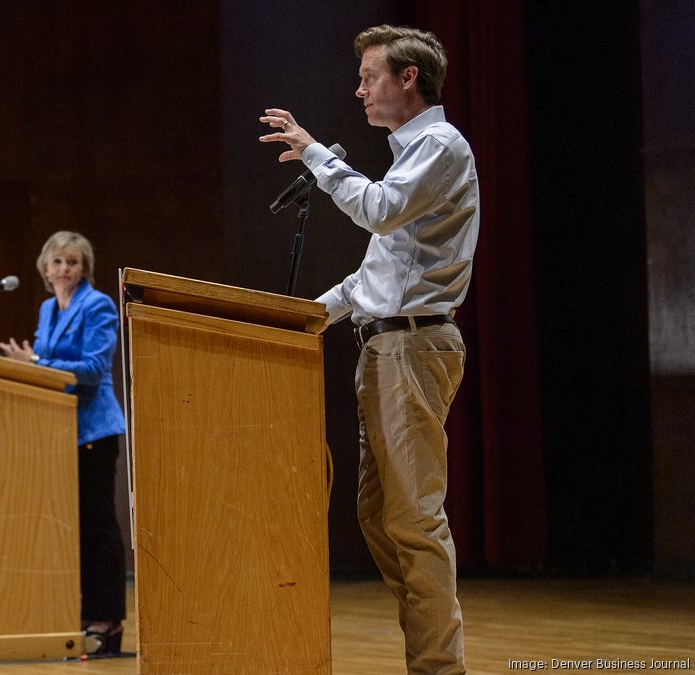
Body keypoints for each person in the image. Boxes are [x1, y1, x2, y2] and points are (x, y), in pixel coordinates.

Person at [259, 24, 478, 675]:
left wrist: (317, 154)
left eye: (369, 76)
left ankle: (440, 666)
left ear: (408, 78)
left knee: (413, 519)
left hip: (412, 347)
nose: (359, 90)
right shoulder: (409, 154)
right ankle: (428, 654)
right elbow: (371, 277)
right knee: (380, 517)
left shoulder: (438, 145)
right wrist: (300, 319)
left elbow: (378, 210)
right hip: (384, 347)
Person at [0, 231, 127, 656]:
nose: (64, 268)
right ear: (45, 268)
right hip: (57, 432)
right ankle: (81, 613)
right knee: (72, 529)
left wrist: (34, 361)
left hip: (95, 431)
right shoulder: (47, 308)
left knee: (98, 528)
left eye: (73, 261)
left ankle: (107, 619)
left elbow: (91, 369)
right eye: (57, 261)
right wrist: (29, 369)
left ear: (84, 268)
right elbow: (48, 367)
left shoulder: (98, 305)